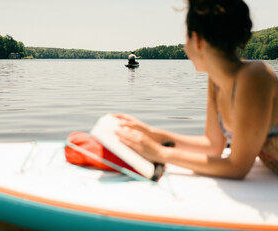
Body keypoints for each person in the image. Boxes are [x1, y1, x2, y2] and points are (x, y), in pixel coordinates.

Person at [115, 0, 278, 179]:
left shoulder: (254, 76)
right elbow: (212, 146)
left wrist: (159, 153)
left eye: (186, 39)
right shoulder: (216, 82)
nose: (185, 48)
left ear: (197, 40)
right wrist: (152, 134)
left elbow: (238, 166)